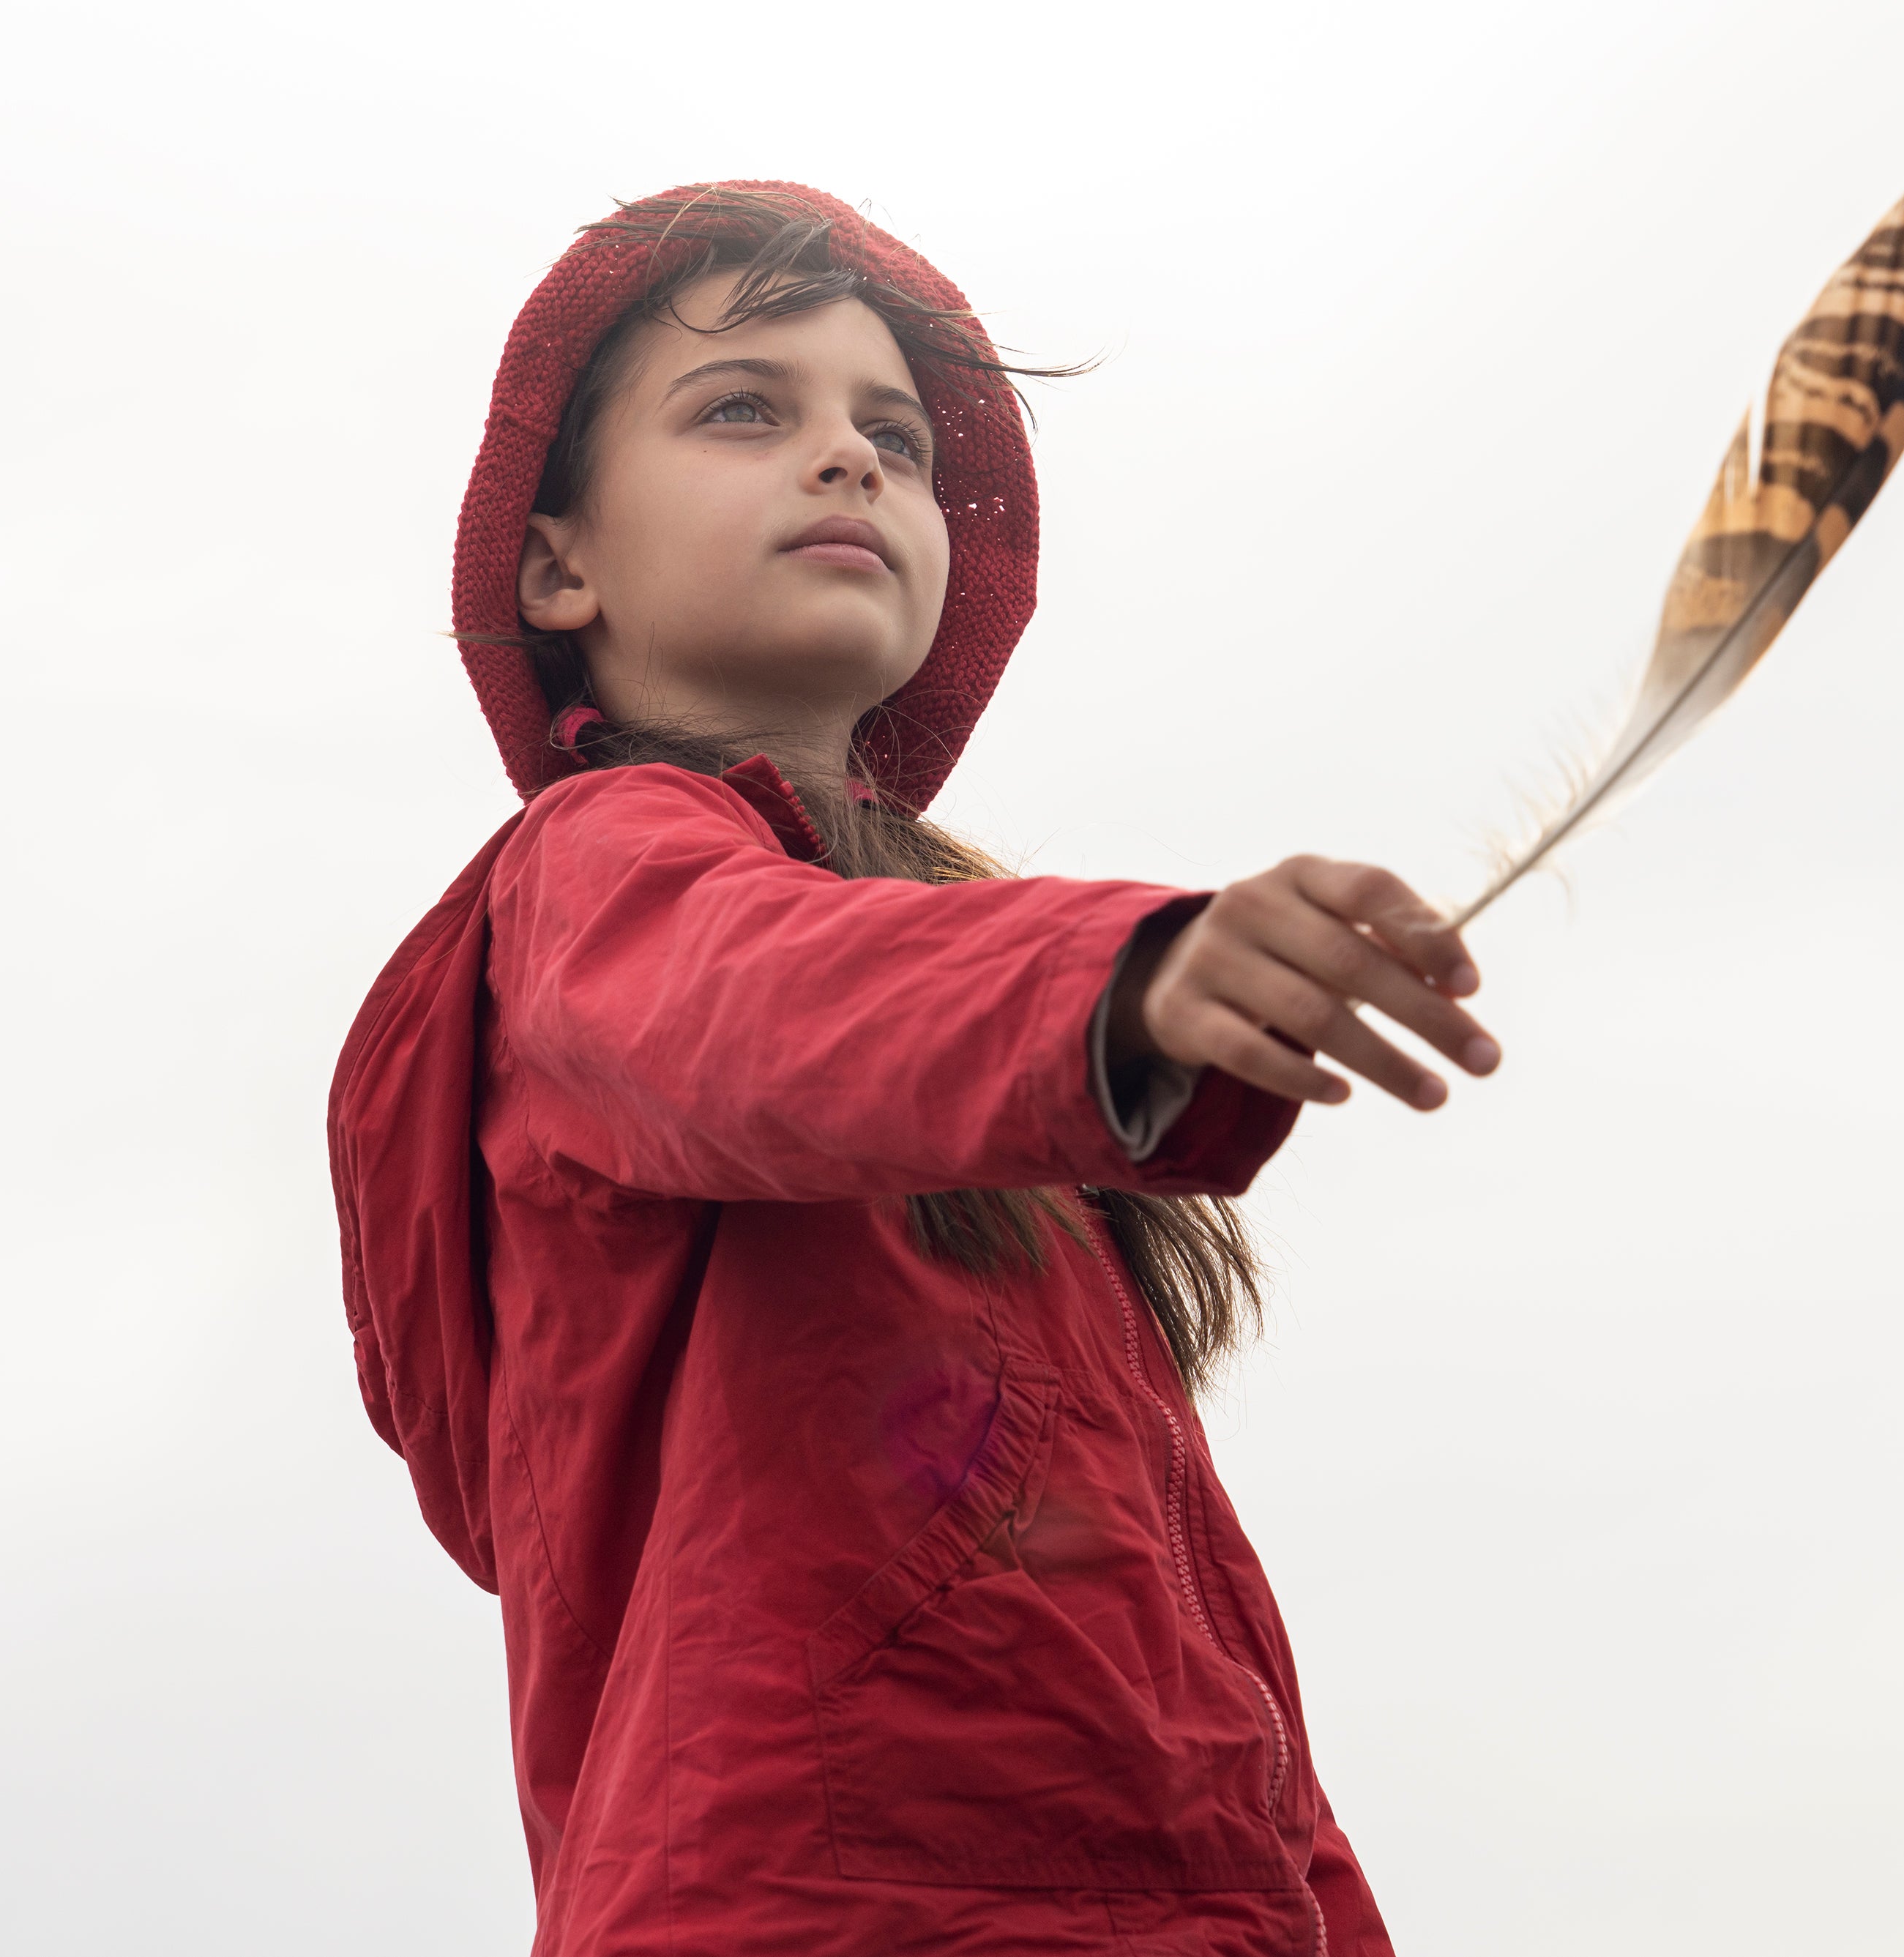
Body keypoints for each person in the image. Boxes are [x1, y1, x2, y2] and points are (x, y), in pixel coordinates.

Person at [329, 182, 1495, 1957]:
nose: (850, 459)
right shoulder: (596, 876)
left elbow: (1213, 1677)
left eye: (894, 432)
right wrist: (1132, 974)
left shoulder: (987, 1050)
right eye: (746, 408)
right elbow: (758, 1003)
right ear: (558, 562)